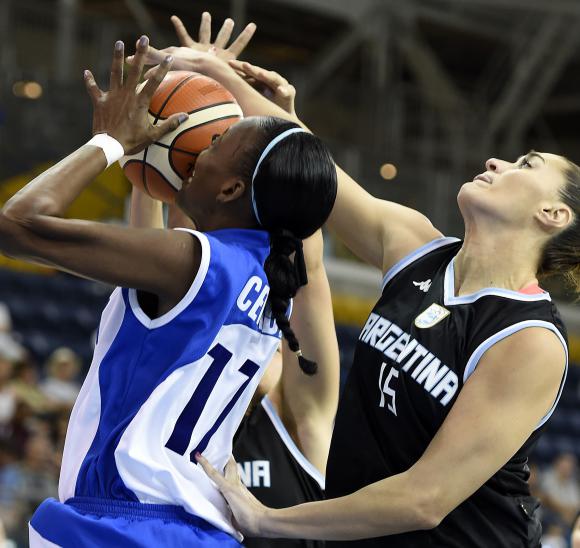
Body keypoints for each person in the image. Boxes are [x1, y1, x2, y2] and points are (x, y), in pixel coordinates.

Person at [146, 44, 578, 547]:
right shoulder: (415, 246)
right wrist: (218, 78)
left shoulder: (529, 339)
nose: (496, 161)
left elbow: (425, 498)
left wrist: (266, 519)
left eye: (526, 164)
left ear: (552, 215)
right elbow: (316, 172)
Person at [0, 35, 337, 547]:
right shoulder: (267, 283)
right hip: (196, 531)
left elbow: (17, 225)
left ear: (231, 189)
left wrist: (111, 141)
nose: (201, 149)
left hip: (124, 526)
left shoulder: (196, 261)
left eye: (217, 142)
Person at [130, 18, 340, 548]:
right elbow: (177, 237)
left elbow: (308, 260)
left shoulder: (301, 419)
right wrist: (184, 125)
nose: (253, 342)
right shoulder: (174, 391)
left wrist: (280, 125)